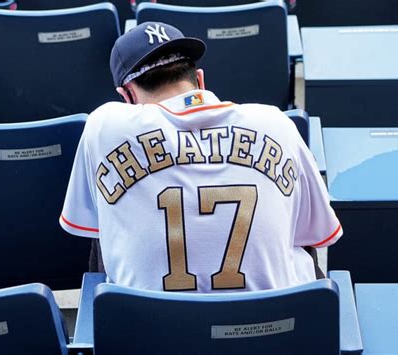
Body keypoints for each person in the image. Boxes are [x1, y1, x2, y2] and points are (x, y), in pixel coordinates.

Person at [60, 22, 342, 292]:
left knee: (108, 221)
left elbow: (90, 227)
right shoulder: (275, 122)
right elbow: (315, 235)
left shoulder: (104, 126)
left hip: (149, 331)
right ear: (201, 80)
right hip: (266, 328)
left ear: (128, 96)